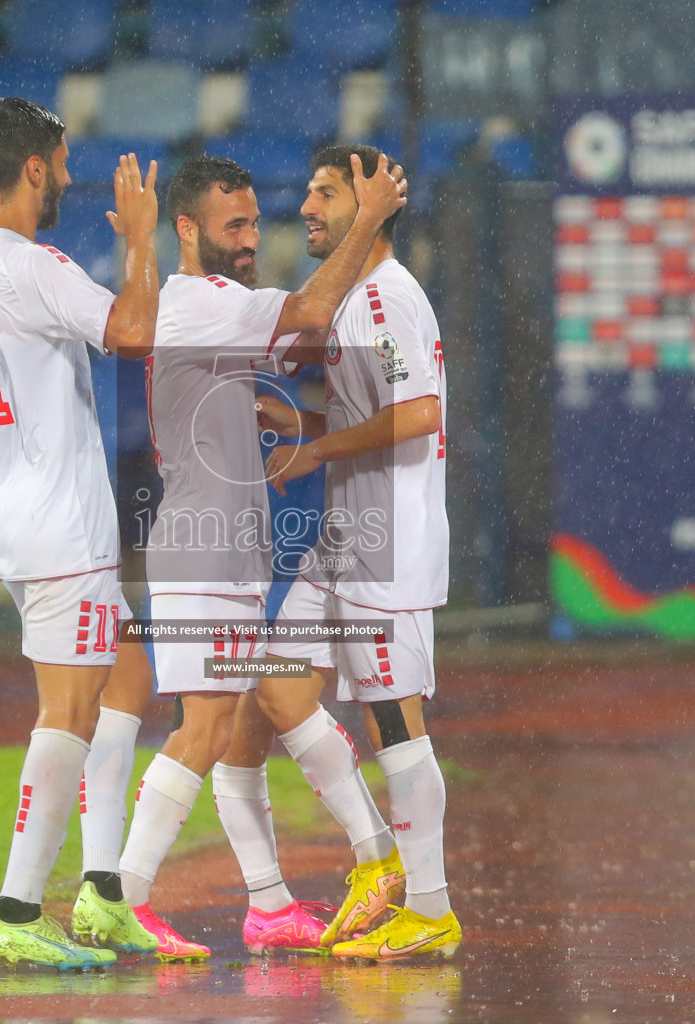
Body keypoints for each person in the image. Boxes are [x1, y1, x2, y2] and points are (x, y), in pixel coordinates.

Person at [113, 152, 408, 960]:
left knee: (248, 719)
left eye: (252, 223)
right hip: (202, 560)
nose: (249, 239)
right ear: (186, 229)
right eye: (233, 225)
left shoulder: (211, 309)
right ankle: (123, 895)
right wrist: (371, 217)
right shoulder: (204, 302)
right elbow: (313, 310)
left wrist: (266, 430)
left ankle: (271, 905)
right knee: (209, 725)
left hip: (226, 556)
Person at [0, 97, 161, 970]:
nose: (66, 178)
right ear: (32, 169)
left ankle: (101, 891)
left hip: (8, 512)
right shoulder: (33, 264)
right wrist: (141, 239)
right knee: (72, 711)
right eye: (60, 164)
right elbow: (133, 329)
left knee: (126, 676)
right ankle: (16, 910)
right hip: (63, 527)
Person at [259, 143, 459, 960]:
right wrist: (306, 431)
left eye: (326, 192)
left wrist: (316, 449)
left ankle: (432, 908)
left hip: (388, 545)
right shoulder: (353, 301)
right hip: (347, 536)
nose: (307, 206)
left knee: (395, 722)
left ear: (367, 208)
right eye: (306, 189)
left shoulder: (383, 301)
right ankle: (377, 857)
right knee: (276, 687)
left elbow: (419, 414)